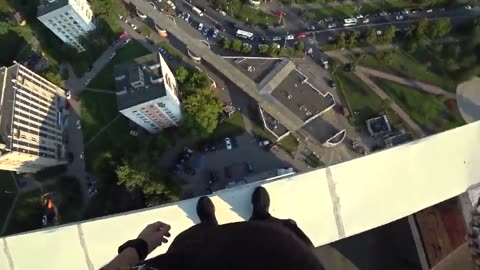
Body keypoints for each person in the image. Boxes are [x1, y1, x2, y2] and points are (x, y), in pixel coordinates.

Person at [102, 186, 324, 270]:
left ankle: (210, 225)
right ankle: (262, 219)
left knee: (198, 239)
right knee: (285, 235)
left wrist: (140, 246)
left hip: (186, 260)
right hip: (274, 255)